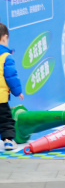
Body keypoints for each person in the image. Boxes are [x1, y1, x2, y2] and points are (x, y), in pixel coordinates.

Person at [0, 23, 23, 151]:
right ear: (4, 38)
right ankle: (8, 141)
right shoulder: (6, 57)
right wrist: (18, 91)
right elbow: (11, 77)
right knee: (5, 120)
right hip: (1, 98)